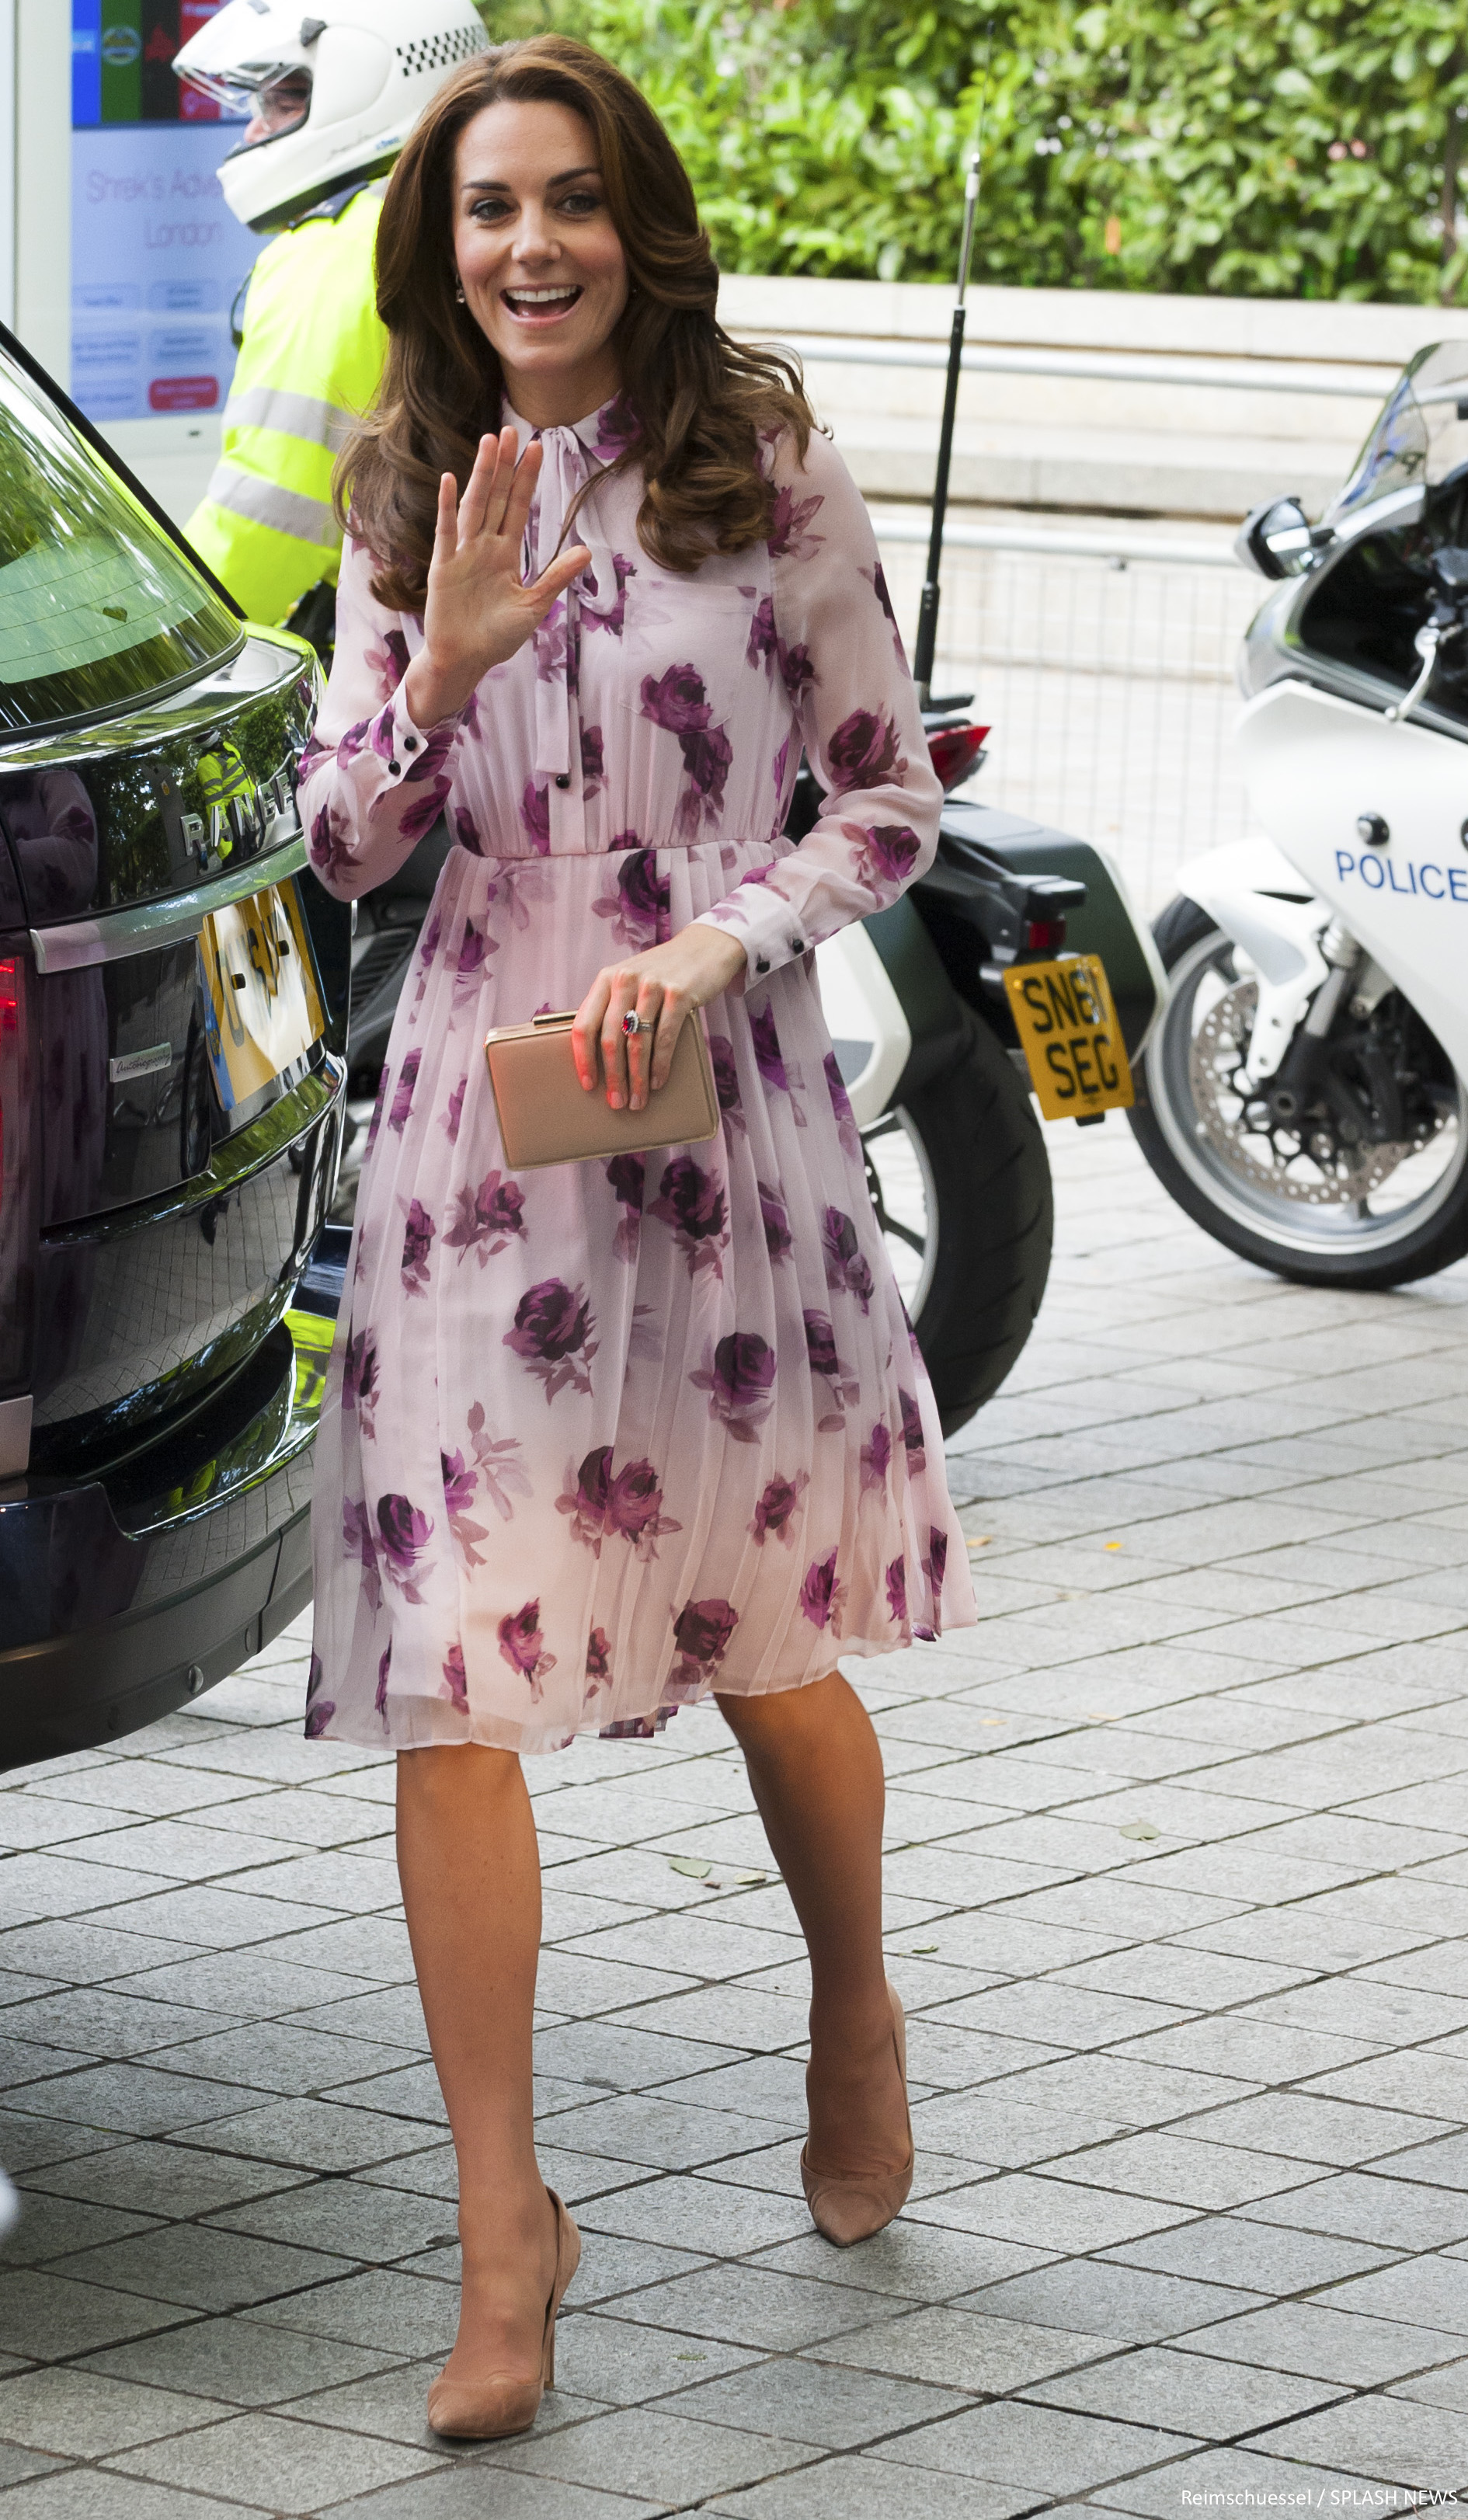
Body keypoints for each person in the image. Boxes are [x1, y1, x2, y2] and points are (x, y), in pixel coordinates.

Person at [297, 32, 977, 2444]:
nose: (533, 245)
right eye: (491, 209)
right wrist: (437, 677)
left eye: (572, 200)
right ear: (440, 246)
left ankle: (854, 1995)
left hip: (721, 1108)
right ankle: (507, 2240)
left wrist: (729, 935)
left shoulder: (755, 466)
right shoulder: (403, 493)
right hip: (485, 1135)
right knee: (453, 1686)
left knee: (774, 1633)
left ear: (637, 222)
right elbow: (350, 846)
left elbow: (893, 797)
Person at [172, 0, 490, 630]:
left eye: (285, 103)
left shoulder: (333, 251)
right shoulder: (472, 219)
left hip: (392, 633)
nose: (256, 132)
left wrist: (167, 646)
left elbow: (269, 516)